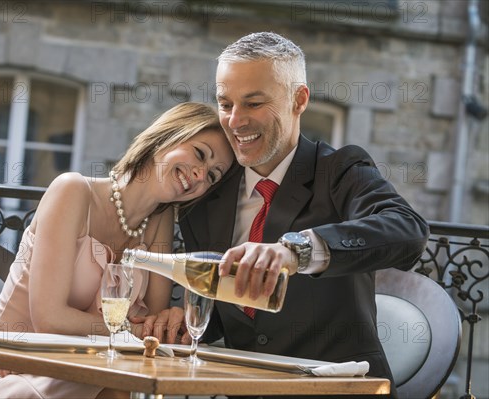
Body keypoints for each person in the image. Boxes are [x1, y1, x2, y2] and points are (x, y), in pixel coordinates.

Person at [175, 32, 429, 399]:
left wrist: (296, 251)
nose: (235, 121)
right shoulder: (207, 194)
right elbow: (223, 306)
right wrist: (185, 320)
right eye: (225, 103)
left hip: (339, 390)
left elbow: (408, 231)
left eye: (254, 103)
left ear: (299, 100)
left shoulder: (340, 168)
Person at [0, 102, 234, 399]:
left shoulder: (161, 221)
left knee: (122, 388)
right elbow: (50, 319)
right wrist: (130, 331)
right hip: (5, 366)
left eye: (211, 176)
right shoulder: (73, 191)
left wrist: (168, 321)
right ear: (168, 136)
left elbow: (149, 325)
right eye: (199, 154)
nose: (199, 175)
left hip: (78, 369)